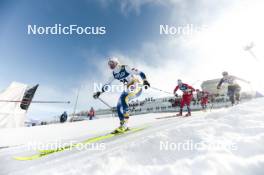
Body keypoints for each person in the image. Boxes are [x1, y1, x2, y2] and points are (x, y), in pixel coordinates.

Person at [93, 57, 150, 133]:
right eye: (109, 64)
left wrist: (145, 80)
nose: (110, 65)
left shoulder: (125, 68)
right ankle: (123, 124)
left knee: (124, 97)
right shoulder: (113, 74)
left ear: (116, 63)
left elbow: (139, 72)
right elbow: (107, 84)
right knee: (119, 105)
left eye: (112, 63)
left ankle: (126, 125)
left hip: (136, 85)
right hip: (128, 88)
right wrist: (99, 92)